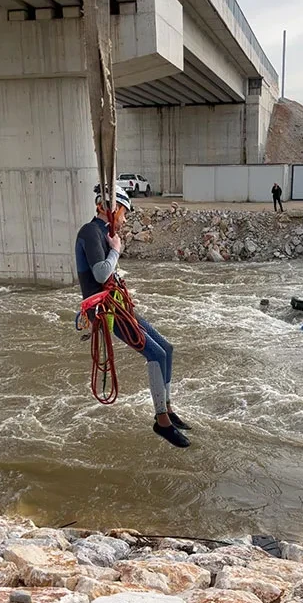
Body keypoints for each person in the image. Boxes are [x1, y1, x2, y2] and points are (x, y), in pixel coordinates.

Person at [76, 187, 190, 448]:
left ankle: (168, 410)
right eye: (124, 213)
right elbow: (101, 274)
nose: (125, 220)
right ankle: (162, 422)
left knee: (167, 349)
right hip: (105, 311)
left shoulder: (101, 233)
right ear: (112, 209)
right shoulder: (90, 232)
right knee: (156, 354)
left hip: (116, 306)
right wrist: (115, 250)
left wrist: (112, 246)